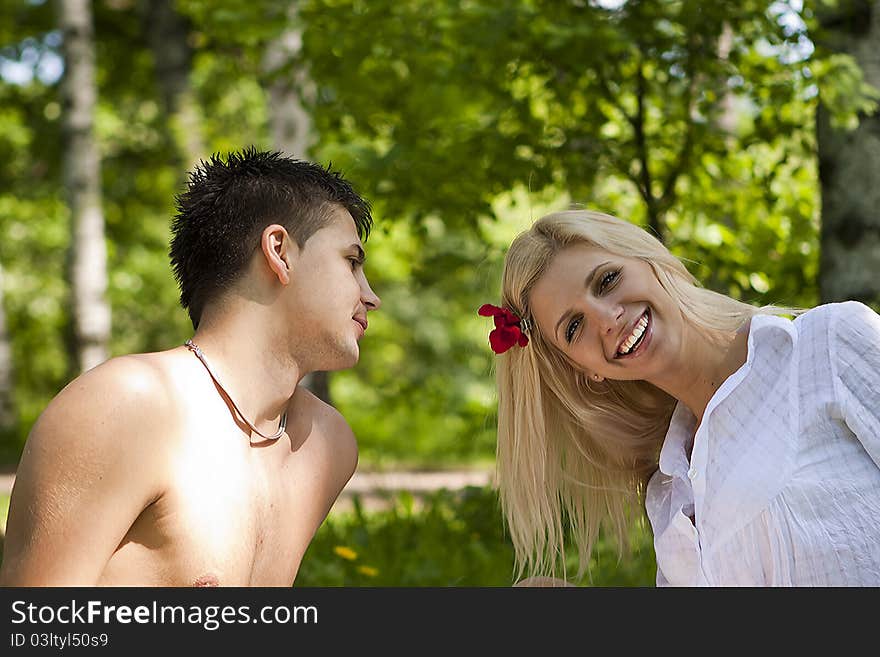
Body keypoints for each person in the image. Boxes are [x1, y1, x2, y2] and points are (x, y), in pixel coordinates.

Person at [0, 147, 381, 586]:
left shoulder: (326, 445)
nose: (371, 296)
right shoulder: (125, 407)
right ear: (280, 251)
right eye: (351, 262)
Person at [480, 209, 880, 587]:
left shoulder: (826, 347)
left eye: (607, 280)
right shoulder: (669, 495)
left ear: (652, 262)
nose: (606, 318)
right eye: (574, 327)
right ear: (585, 369)